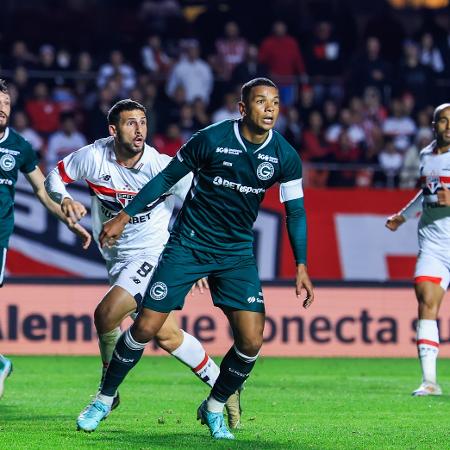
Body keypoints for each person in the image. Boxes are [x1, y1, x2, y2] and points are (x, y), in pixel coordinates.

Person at [77, 78, 315, 439]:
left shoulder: (284, 156)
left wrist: (301, 265)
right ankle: (104, 399)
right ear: (242, 108)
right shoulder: (211, 139)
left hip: (235, 253)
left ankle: (214, 406)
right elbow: (164, 180)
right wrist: (124, 216)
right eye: (261, 101)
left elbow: (295, 212)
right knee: (145, 327)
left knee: (251, 341)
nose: (270, 109)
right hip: (188, 244)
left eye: (276, 102)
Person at [44, 99, 241, 428]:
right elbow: (55, 176)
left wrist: (196, 257)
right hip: (117, 258)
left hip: (154, 253)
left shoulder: (161, 167)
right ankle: (225, 386)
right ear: (113, 130)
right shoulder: (93, 157)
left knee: (106, 313)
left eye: (143, 122)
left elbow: (199, 206)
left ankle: (106, 395)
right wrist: (63, 198)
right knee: (166, 335)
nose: (139, 130)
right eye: (130, 123)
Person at [0, 79, 90, 399]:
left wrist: (68, 221)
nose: (2, 109)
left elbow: (41, 190)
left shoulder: (20, 147)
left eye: (6, 104)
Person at [386, 103, 450, 396]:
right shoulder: (425, 155)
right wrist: (403, 214)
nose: (448, 127)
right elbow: (426, 193)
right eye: (443, 121)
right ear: (434, 124)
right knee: (426, 301)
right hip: (435, 246)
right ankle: (430, 381)